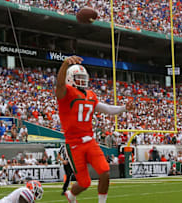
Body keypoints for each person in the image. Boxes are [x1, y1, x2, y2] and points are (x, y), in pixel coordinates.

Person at [55, 56, 133, 203]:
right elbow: (59, 85)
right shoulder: (66, 94)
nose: (82, 80)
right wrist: (65, 65)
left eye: (83, 77)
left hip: (90, 140)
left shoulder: (90, 95)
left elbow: (107, 109)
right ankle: (71, 195)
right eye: (78, 77)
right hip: (74, 143)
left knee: (105, 172)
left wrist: (124, 108)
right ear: (70, 78)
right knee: (85, 183)